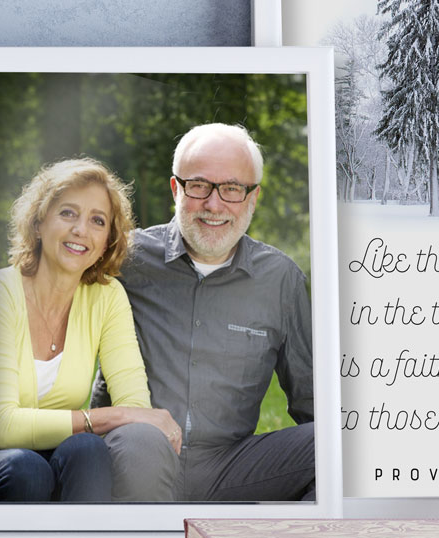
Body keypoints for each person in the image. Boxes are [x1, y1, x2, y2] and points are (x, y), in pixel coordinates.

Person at [123, 123, 315, 502]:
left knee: (332, 444)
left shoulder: (280, 279)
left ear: (253, 197)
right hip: (136, 455)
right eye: (199, 186)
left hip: (229, 467)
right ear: (176, 188)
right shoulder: (127, 259)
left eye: (231, 189)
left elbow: (311, 399)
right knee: (138, 446)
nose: (214, 205)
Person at [0, 158, 181, 502]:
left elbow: (135, 403)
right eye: (67, 213)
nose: (81, 230)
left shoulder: (106, 297)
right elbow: (1, 426)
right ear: (38, 222)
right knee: (27, 468)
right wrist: (112, 415)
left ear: (107, 239)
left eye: (97, 221)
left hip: (63, 455)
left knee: (88, 450)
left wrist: (121, 417)